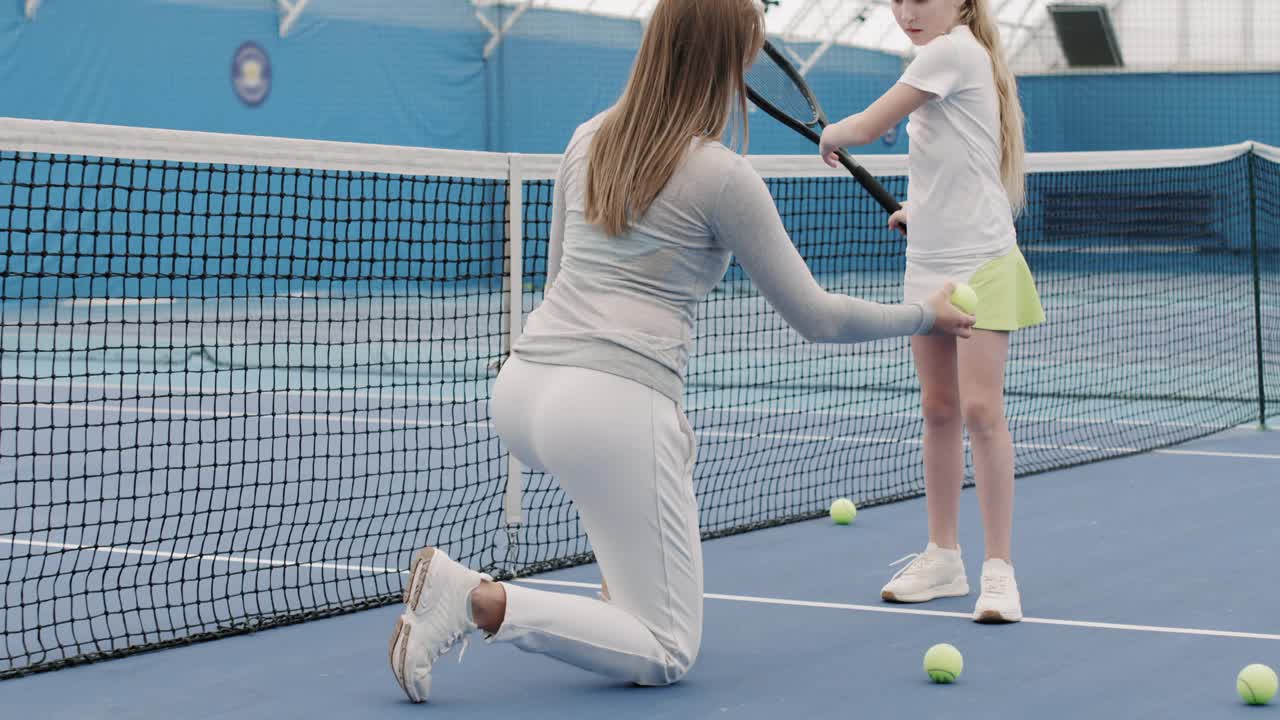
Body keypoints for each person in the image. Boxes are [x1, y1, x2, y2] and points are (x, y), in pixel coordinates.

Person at [388, 0, 975, 703]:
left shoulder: (584, 139)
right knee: (666, 650)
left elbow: (554, 278)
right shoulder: (724, 176)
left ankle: (614, 579)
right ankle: (473, 598)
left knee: (654, 456)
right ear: (729, 63)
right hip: (604, 412)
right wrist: (926, 316)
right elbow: (816, 318)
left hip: (521, 390)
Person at [818, 0, 1046, 623]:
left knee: (980, 409)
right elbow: (955, 159)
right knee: (939, 409)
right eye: (897, 0)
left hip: (984, 262)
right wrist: (921, 213)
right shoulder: (941, 55)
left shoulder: (952, 49)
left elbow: (864, 127)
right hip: (929, 263)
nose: (908, 11)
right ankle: (943, 556)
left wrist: (834, 134)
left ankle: (999, 571)